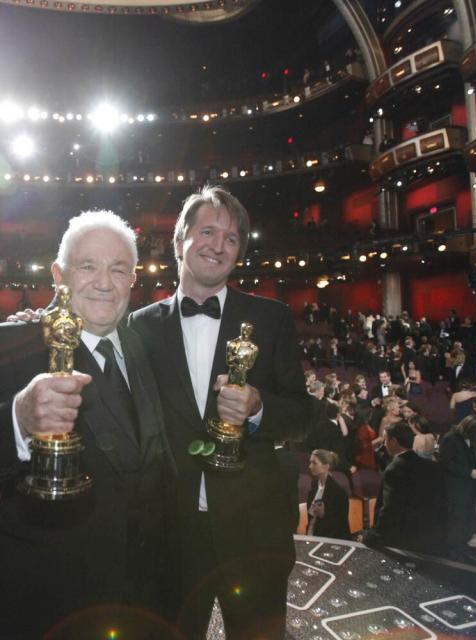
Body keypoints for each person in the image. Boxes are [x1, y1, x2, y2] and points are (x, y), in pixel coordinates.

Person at [0, 210, 176, 639]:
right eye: (88, 266)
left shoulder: (150, 348)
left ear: (132, 279)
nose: (104, 282)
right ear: (59, 275)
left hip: (142, 606)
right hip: (47, 607)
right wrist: (18, 418)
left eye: (118, 268)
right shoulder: (11, 343)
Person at [128, 186, 310, 639]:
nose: (219, 245)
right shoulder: (138, 326)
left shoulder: (272, 319)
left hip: (254, 533)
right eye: (208, 231)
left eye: (232, 239)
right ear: (179, 242)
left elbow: (303, 415)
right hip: (171, 535)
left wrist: (259, 407)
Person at [360, 422, 445, 554]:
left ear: (393, 441)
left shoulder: (395, 469)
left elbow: (390, 510)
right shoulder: (430, 466)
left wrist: (371, 536)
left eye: (385, 440)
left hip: (400, 541)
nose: (384, 444)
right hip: (426, 539)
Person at [438, 415, 476, 560]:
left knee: (466, 519)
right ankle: (453, 550)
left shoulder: (467, 439)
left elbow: (468, 459)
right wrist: (469, 472)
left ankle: (462, 547)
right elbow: (444, 463)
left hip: (468, 488)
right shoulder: (450, 438)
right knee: (457, 520)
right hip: (455, 488)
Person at [305, 449, 351, 540]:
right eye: (310, 462)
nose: (310, 466)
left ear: (326, 467)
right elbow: (310, 516)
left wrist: (323, 515)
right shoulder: (314, 484)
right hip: (313, 533)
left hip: (331, 539)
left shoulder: (338, 492)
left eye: (314, 463)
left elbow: (340, 524)